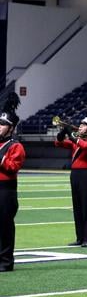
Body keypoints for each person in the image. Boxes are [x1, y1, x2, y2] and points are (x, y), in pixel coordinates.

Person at [53, 105, 87, 247]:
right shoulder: (77, 140)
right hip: (74, 175)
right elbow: (58, 144)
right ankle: (79, 237)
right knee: (77, 206)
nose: (79, 127)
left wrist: (71, 135)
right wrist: (61, 134)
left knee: (86, 206)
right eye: (79, 124)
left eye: (83, 125)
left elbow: (85, 146)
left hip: (85, 175)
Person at [0, 93, 25, 272]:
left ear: (11, 128)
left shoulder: (15, 146)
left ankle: (6, 261)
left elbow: (12, 167)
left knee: (5, 226)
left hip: (6, 191)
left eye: (3, 124)